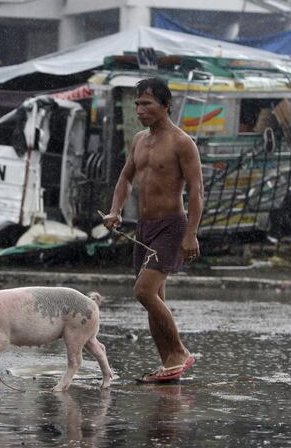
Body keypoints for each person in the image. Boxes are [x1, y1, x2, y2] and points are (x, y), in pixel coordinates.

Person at [103, 77, 203, 382]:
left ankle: (180, 353)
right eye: (137, 103)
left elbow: (197, 191)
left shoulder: (182, 142)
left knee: (144, 292)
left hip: (172, 227)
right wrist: (115, 210)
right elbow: (125, 179)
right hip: (144, 228)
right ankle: (168, 364)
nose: (139, 109)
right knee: (154, 296)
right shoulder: (138, 140)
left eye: (146, 103)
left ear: (165, 105)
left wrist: (191, 234)